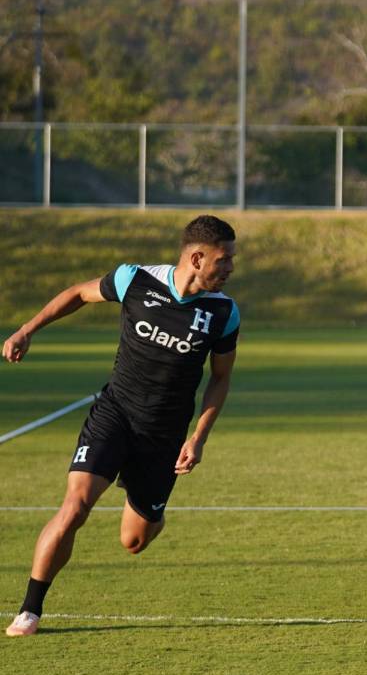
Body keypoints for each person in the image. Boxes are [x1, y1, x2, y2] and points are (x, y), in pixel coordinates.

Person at [3, 215, 241, 637]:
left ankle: (149, 507)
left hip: (164, 435)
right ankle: (29, 610)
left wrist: (198, 437)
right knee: (75, 507)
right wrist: (27, 330)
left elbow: (220, 379)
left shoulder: (223, 312)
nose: (230, 268)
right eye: (224, 260)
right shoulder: (136, 280)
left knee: (134, 541)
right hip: (115, 414)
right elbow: (78, 293)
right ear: (197, 258)